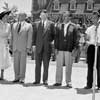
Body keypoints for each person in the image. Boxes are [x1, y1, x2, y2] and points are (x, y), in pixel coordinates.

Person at [53, 12, 78, 87]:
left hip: (69, 49)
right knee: (59, 66)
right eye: (64, 16)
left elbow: (76, 38)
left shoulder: (74, 26)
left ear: (70, 17)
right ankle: (58, 81)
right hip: (60, 48)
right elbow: (56, 38)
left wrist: (75, 48)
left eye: (67, 16)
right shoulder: (59, 25)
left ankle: (68, 82)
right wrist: (56, 48)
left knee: (69, 66)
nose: (65, 17)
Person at [32, 10, 55, 85]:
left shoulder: (51, 24)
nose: (43, 16)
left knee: (46, 65)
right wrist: (34, 45)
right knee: (37, 65)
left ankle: (45, 80)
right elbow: (34, 36)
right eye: (42, 15)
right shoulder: (36, 24)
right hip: (38, 47)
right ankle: (37, 80)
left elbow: (53, 35)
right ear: (40, 16)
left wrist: (50, 42)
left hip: (47, 48)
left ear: (47, 15)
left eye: (45, 15)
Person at [11, 12, 33, 84]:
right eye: (19, 15)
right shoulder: (14, 25)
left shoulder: (29, 26)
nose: (19, 16)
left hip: (23, 48)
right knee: (15, 63)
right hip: (15, 47)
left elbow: (30, 37)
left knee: (23, 63)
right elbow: (12, 36)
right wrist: (11, 45)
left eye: (21, 15)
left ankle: (22, 78)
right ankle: (16, 77)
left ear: (25, 17)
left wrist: (28, 47)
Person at [84, 11, 100, 90]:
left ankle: (99, 85)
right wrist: (88, 42)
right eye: (93, 18)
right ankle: (89, 84)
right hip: (91, 48)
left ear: (98, 18)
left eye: (95, 18)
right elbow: (86, 39)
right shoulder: (89, 29)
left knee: (99, 67)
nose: (94, 20)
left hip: (99, 48)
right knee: (90, 67)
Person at [0, 11, 11, 80]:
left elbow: (9, 35)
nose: (7, 18)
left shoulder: (8, 25)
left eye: (8, 17)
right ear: (2, 17)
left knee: (3, 59)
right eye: (6, 17)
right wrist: (4, 35)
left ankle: (2, 75)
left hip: (5, 44)